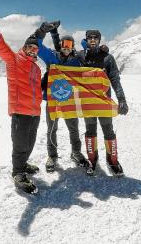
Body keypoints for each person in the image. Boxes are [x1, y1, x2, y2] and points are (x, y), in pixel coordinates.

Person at [0, 11, 55, 194]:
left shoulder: (36, 68)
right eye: (29, 47)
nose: (33, 50)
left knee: (30, 143)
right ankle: (18, 173)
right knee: (20, 144)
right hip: (20, 112)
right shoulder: (14, 60)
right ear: (24, 48)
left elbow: (38, 90)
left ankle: (23, 164)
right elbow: (0, 45)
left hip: (34, 112)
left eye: (35, 48)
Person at [32, 22, 88, 172]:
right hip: (53, 100)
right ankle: (52, 156)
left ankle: (76, 152)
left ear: (73, 46)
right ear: (60, 45)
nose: (66, 47)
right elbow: (36, 44)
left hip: (70, 100)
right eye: (64, 44)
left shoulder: (76, 61)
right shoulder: (52, 57)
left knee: (74, 128)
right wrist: (43, 30)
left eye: (69, 44)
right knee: (51, 129)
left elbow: (89, 59)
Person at [76, 30, 129, 177]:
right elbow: (64, 59)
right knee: (90, 131)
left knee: (108, 131)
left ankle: (112, 160)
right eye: (90, 38)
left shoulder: (108, 58)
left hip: (104, 102)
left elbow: (115, 81)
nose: (93, 40)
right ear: (86, 40)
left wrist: (122, 100)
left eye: (95, 38)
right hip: (88, 103)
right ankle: (92, 160)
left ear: (99, 40)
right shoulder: (80, 56)